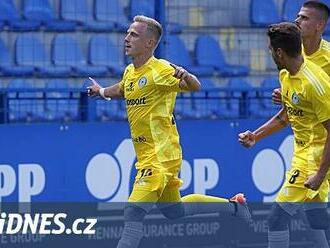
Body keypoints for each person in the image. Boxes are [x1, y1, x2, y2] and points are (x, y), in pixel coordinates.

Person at [87, 15, 251, 248]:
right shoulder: (130, 72)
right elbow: (124, 89)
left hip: (160, 156)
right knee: (175, 211)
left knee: (133, 213)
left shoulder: (161, 69)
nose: (126, 38)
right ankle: (235, 206)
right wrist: (101, 91)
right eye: (127, 33)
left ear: (149, 43)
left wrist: (187, 76)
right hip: (149, 155)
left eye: (134, 35)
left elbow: (194, 87)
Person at [239, 22, 330, 248]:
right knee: (317, 219)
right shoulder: (286, 75)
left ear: (279, 52)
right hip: (302, 153)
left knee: (276, 219)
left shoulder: (314, 84)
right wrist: (256, 136)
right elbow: (285, 116)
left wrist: (320, 174)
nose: (269, 52)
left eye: (270, 49)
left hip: (316, 157)